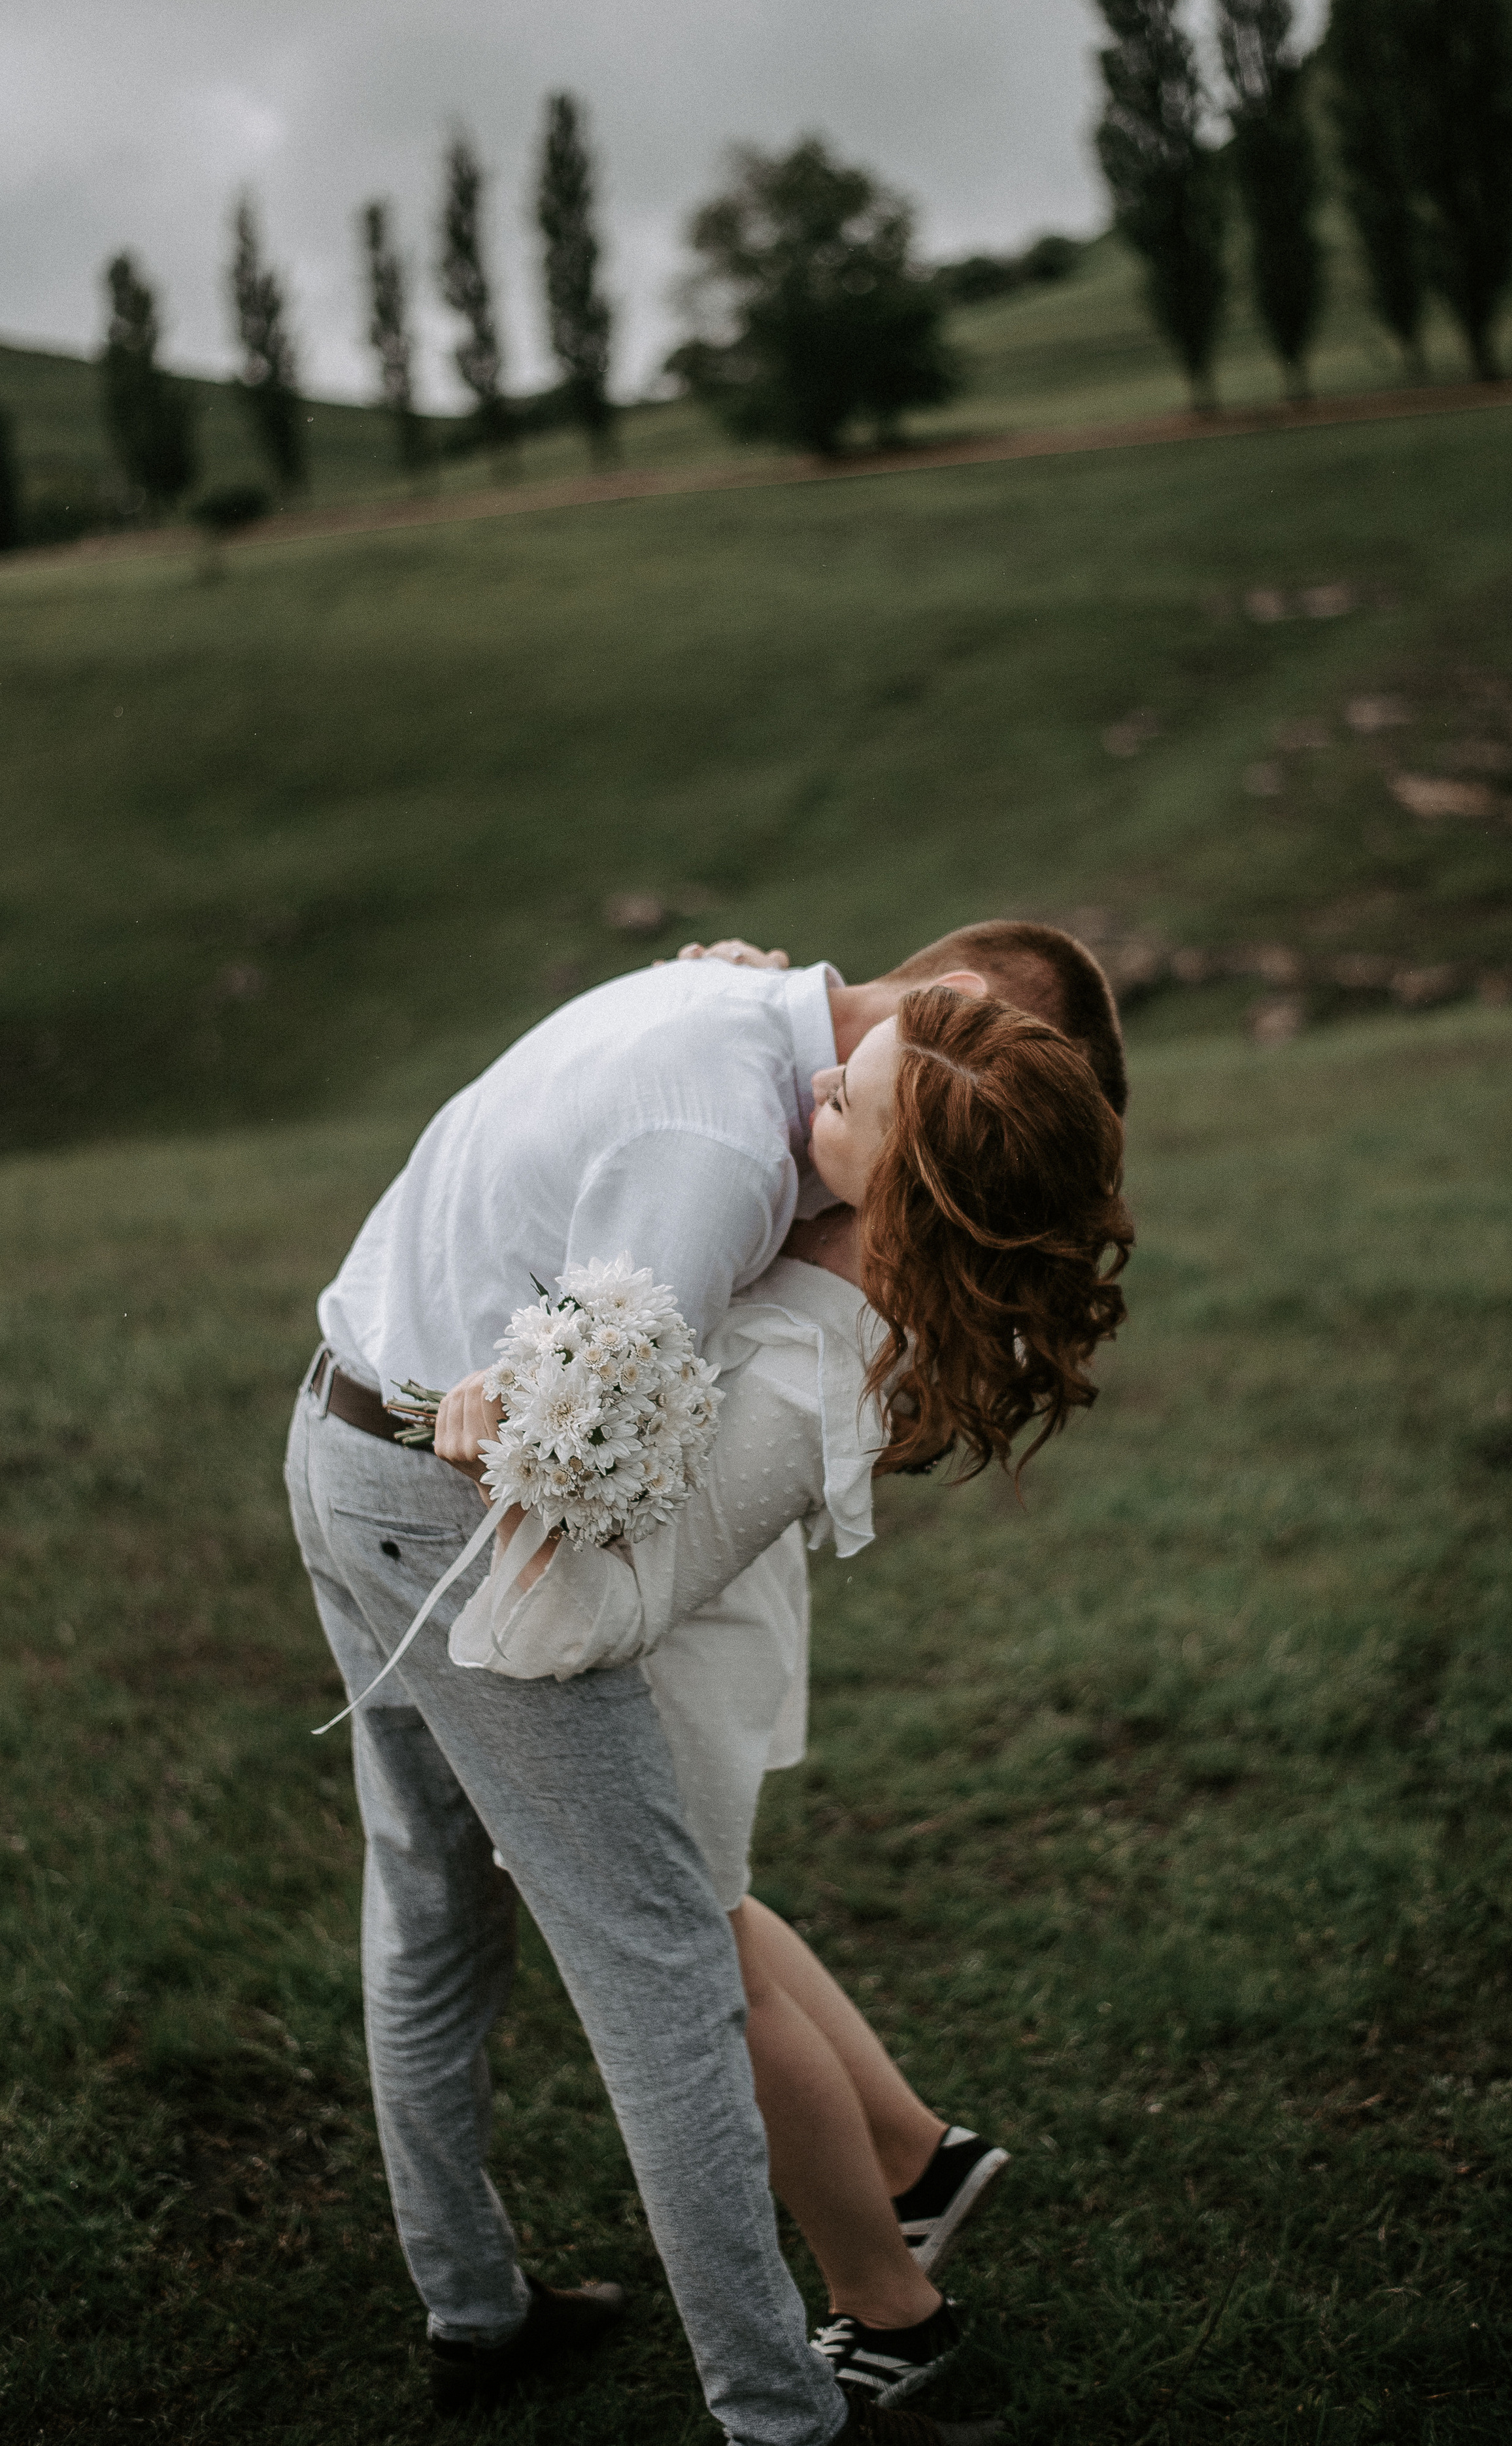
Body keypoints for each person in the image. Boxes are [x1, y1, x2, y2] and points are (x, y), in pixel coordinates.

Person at [284, 923, 1125, 2446]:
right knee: (664, 1980)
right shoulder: (734, 1123)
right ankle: (749, 2396)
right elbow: (597, 1474)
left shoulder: (748, 1088)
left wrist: (521, 1418)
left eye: (852, 1105)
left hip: (354, 1432)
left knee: (501, 1928)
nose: (821, 1101)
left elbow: (611, 1455)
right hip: (424, 1500)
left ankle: (586, 2345)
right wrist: (512, 1424)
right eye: (849, 1077)